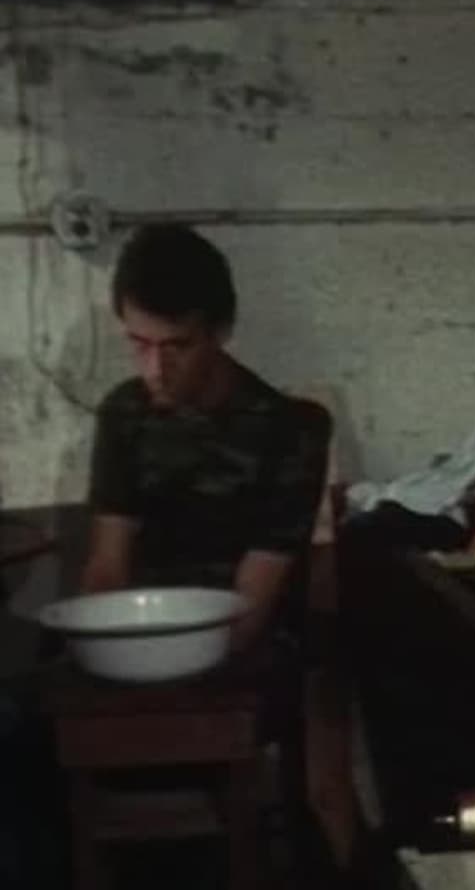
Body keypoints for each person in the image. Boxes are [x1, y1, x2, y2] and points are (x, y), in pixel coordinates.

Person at [83, 223, 332, 653]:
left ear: (220, 331)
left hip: (244, 652)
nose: (155, 370)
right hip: (140, 633)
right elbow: (108, 567)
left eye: (178, 347)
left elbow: (253, 602)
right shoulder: (125, 412)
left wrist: (169, 668)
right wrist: (100, 648)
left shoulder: (291, 430)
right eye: (140, 344)